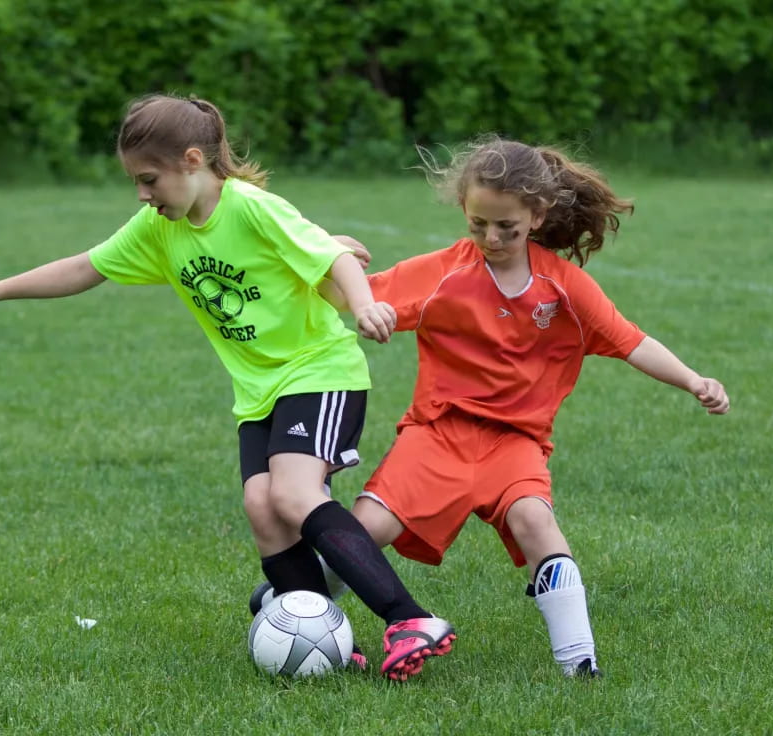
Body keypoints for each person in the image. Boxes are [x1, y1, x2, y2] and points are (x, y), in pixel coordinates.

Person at [0, 93, 454, 681]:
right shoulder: (159, 229)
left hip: (319, 372)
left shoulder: (252, 208)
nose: (141, 194)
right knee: (262, 509)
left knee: (292, 493)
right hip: (256, 391)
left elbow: (334, 259)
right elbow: (85, 266)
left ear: (192, 160)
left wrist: (364, 307)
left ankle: (409, 618)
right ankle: (331, 637)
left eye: (148, 179)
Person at [255, 134, 730, 678]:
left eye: (506, 226)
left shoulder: (565, 288)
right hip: (436, 437)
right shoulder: (444, 273)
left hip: (516, 445)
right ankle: (294, 604)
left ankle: (579, 662)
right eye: (478, 224)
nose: (491, 237)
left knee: (535, 520)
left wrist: (694, 380)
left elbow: (630, 340)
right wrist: (328, 252)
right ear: (465, 209)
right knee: (363, 533)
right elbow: (355, 294)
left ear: (537, 214)